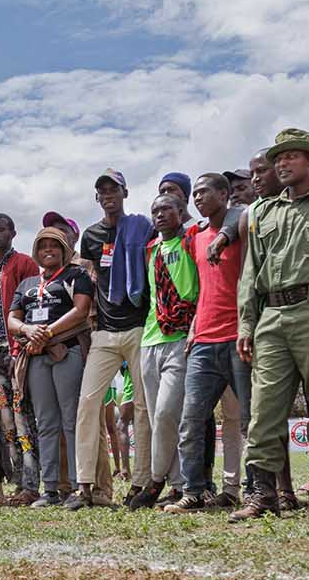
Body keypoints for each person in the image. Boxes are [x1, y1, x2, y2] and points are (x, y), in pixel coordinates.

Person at [235, 128, 309, 520]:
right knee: (264, 406)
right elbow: (250, 272)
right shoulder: (262, 212)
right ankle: (263, 493)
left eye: (292, 156)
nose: (282, 163)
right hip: (272, 316)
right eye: (278, 157)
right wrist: (246, 324)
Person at [70, 168, 154, 510]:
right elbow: (90, 277)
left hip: (139, 327)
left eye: (113, 189)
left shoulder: (142, 227)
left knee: (144, 408)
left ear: (125, 192)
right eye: (102, 191)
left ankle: (141, 483)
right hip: (105, 330)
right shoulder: (91, 236)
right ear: (97, 197)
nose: (108, 195)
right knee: (88, 404)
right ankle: (86, 486)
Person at [169, 174, 250, 514]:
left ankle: (256, 490)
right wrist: (192, 329)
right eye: (196, 193)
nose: (199, 197)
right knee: (191, 421)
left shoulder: (243, 227)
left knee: (249, 421)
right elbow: (203, 286)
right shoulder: (196, 238)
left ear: (225, 194)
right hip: (202, 340)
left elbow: (244, 212)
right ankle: (194, 491)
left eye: (205, 192)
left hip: (238, 337)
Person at [11, 225, 92, 508]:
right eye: (43, 245)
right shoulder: (27, 284)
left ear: (64, 250)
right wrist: (27, 329)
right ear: (36, 251)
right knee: (46, 423)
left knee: (71, 420)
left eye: (54, 245)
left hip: (66, 352)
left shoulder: (76, 275)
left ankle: (77, 488)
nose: (49, 250)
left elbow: (81, 310)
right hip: (35, 356)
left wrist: (44, 333)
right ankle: (51, 490)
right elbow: (12, 319)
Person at [130, 193, 196, 510]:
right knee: (159, 420)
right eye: (154, 210)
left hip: (182, 335)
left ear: (181, 212)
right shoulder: (151, 249)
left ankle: (156, 481)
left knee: (170, 413)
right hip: (151, 338)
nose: (159, 215)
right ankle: (177, 485)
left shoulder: (192, 240)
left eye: (166, 209)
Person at [0, 214, 43, 506]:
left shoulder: (24, 264)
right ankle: (18, 482)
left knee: (23, 420)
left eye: (1, 229)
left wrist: (20, 345)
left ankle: (32, 484)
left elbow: (32, 307)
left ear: (13, 233)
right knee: (5, 422)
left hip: (17, 352)